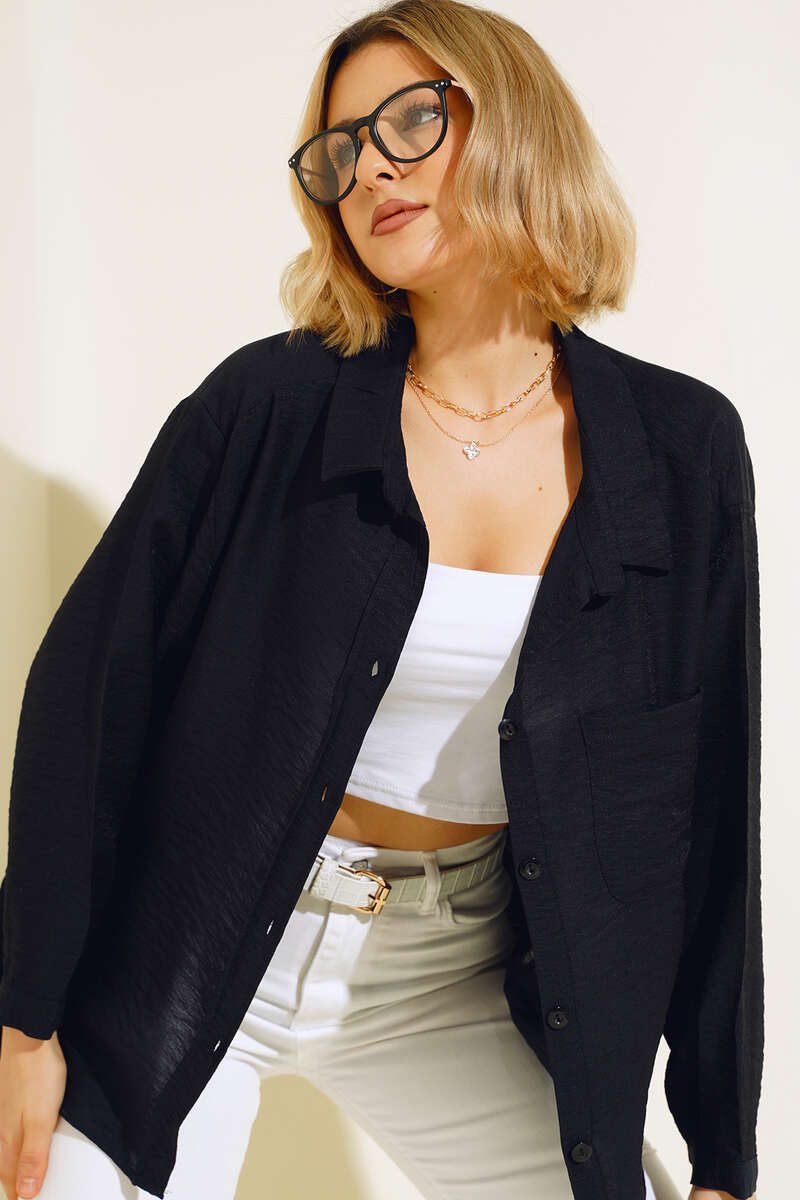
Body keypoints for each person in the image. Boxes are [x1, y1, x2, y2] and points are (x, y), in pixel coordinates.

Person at [0, 1, 762, 1199]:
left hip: (449, 980)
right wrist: (24, 1020)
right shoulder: (266, 407)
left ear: (513, 122)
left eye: (411, 120)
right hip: (197, 951)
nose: (371, 170)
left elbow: (708, 803)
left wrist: (720, 1150)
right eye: (340, 150)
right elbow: (89, 701)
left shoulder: (677, 448)